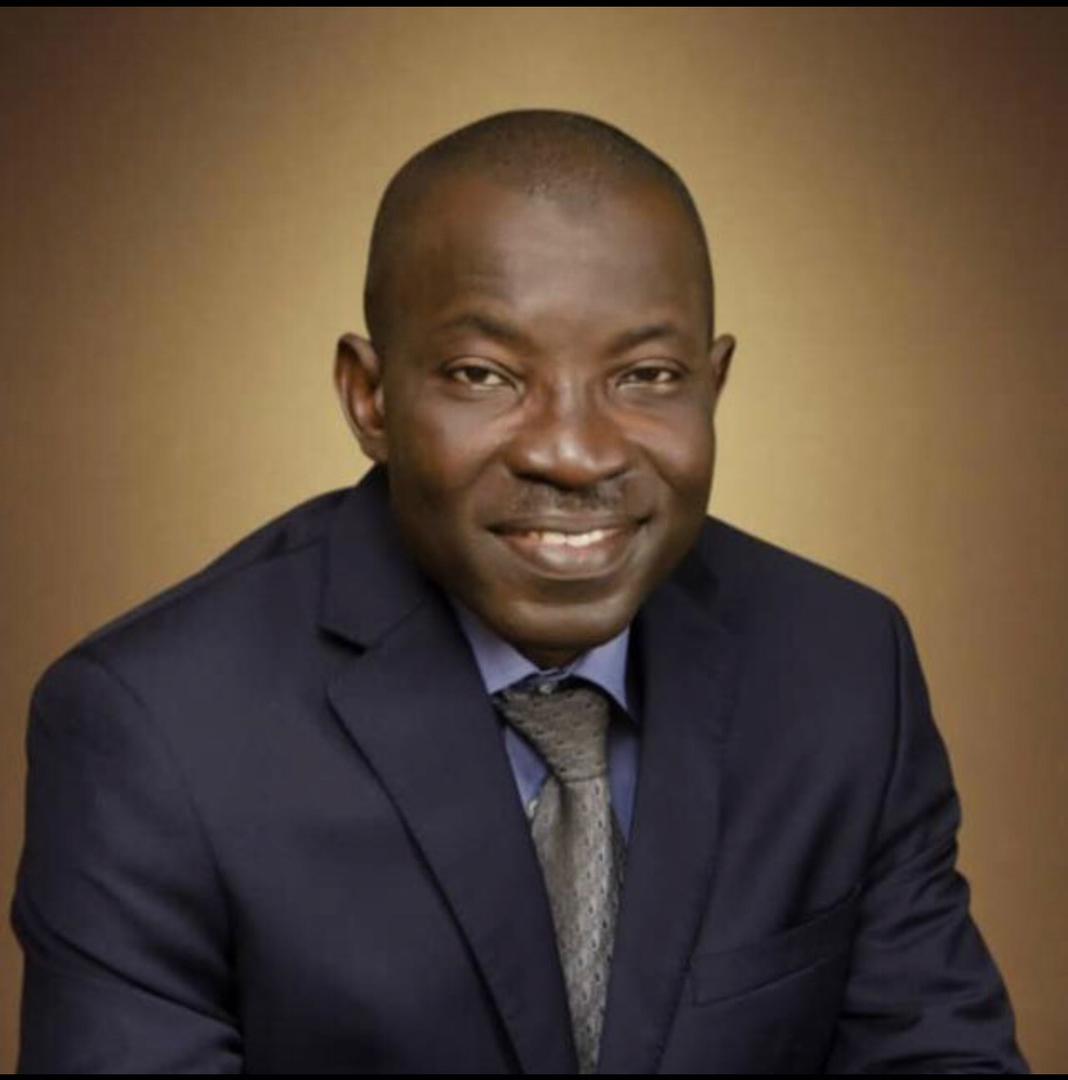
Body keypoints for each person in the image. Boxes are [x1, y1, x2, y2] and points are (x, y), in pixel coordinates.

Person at [11, 109, 1028, 1074]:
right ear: (370, 397)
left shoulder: (846, 667)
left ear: (713, 386)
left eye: (647, 375)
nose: (574, 454)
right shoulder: (155, 728)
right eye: (485, 375)